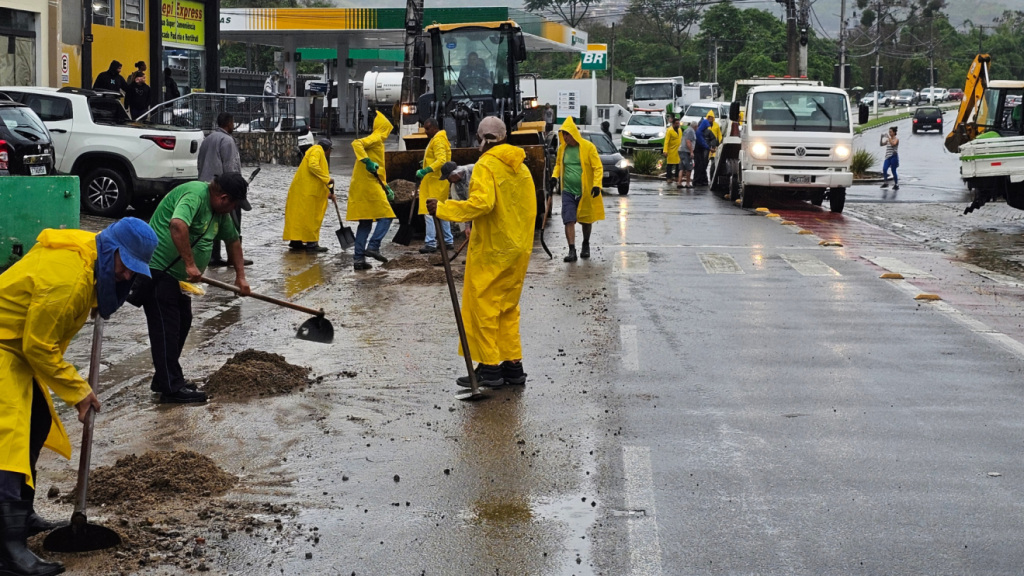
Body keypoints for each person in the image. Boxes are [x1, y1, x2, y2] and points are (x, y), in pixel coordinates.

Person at [0, 218, 157, 575]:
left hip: (15, 348)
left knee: (37, 423)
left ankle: (22, 516)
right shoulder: (68, 279)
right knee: (9, 438)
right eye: (125, 267)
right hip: (7, 346)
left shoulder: (90, 255)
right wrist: (79, 391)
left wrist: (98, 296)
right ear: (112, 250)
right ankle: (8, 549)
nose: (126, 277)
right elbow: (39, 346)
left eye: (134, 272)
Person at [427, 116, 535, 388]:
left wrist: (443, 208)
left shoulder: (486, 166)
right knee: (507, 309)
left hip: (493, 250)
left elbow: (481, 204)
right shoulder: (521, 169)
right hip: (518, 250)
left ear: (483, 138)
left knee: (484, 307)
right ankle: (513, 366)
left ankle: (489, 369)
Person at [143, 174, 251, 404]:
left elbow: (233, 241)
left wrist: (240, 277)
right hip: (158, 271)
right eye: (234, 204)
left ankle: (165, 378)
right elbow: (177, 224)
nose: (234, 209)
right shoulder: (195, 195)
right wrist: (190, 264)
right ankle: (171, 389)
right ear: (223, 198)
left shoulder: (220, 213)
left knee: (182, 323)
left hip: (179, 280)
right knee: (167, 329)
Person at [347, 111, 396, 271]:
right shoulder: (376, 138)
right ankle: (373, 246)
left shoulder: (378, 142)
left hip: (363, 185)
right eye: (387, 130)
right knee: (387, 216)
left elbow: (379, 169)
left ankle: (358, 259)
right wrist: (367, 161)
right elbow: (356, 143)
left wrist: (386, 186)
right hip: (368, 185)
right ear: (383, 128)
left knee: (365, 222)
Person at [552, 116, 604, 263]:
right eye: (563, 134)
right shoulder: (563, 149)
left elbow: (597, 167)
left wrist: (596, 185)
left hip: (585, 190)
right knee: (568, 219)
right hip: (568, 190)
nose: (565, 137)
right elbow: (557, 165)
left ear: (573, 133)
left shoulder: (588, 147)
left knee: (586, 220)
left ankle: (585, 243)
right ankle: (571, 250)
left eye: (567, 134)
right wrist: (554, 177)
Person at [198, 113, 244, 266]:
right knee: (234, 222)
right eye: (232, 123)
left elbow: (200, 163)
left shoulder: (207, 139)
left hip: (206, 186)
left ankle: (214, 256)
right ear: (229, 123)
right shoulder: (227, 141)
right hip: (224, 189)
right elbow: (230, 168)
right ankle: (235, 258)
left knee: (212, 222)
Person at [283, 138, 335, 253]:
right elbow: (313, 166)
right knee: (311, 217)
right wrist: (327, 179)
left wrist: (329, 194)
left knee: (299, 217)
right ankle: (312, 244)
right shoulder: (317, 151)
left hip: (303, 191)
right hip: (308, 193)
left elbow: (317, 176)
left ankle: (296, 241)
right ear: (328, 149)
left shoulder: (314, 151)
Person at [417, 118, 453, 254]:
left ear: (435, 128)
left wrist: (426, 170)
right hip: (438, 181)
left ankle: (430, 243)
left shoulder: (438, 140)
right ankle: (448, 241)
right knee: (441, 211)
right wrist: (425, 162)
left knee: (429, 212)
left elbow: (441, 160)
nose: (425, 132)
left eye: (427, 129)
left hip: (434, 182)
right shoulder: (438, 138)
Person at [440, 160, 474, 237]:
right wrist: (467, 227)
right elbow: (464, 206)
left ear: (454, 173)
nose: (448, 180)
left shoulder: (473, 170)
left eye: (448, 177)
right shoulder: (456, 188)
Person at [693, 113, 712, 186]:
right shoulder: (699, 132)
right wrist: (708, 148)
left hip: (700, 150)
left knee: (701, 165)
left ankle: (701, 180)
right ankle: (697, 181)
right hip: (698, 151)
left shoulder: (700, 131)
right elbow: (701, 142)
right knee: (698, 166)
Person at [678, 120, 697, 189]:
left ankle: (679, 183)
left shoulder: (687, 130)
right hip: (686, 151)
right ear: (695, 126)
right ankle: (688, 184)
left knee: (682, 168)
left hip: (681, 150)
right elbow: (688, 141)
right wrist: (691, 151)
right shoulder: (691, 131)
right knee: (689, 168)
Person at [663, 116, 682, 183]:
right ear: (673, 124)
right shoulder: (669, 131)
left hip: (678, 150)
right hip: (671, 150)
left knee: (678, 165)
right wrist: (665, 151)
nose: (678, 125)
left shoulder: (679, 130)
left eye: (678, 123)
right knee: (670, 165)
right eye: (676, 123)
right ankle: (669, 178)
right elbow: (666, 141)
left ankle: (676, 177)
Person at [881, 126, 900, 191]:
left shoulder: (896, 139)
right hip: (887, 157)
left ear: (894, 132)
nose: (889, 133)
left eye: (891, 132)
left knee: (893, 170)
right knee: (884, 169)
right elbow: (881, 144)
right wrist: (881, 138)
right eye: (889, 132)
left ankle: (896, 184)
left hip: (893, 157)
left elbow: (893, 144)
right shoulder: (888, 140)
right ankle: (886, 182)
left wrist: (889, 138)